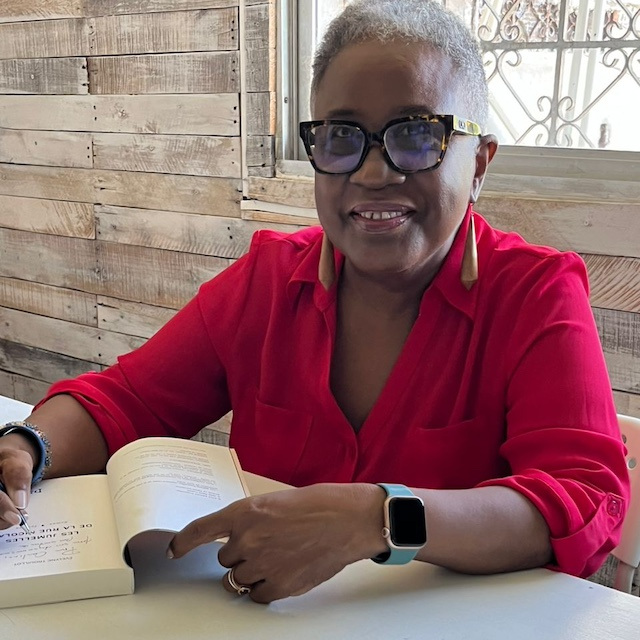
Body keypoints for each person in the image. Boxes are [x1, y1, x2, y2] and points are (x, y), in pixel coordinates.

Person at [0, 0, 629, 604]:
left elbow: (583, 500)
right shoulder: (269, 281)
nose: (375, 172)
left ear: (480, 162)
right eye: (341, 137)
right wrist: (27, 446)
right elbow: (127, 400)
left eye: (415, 136)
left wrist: (374, 518)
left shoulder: (535, 294)